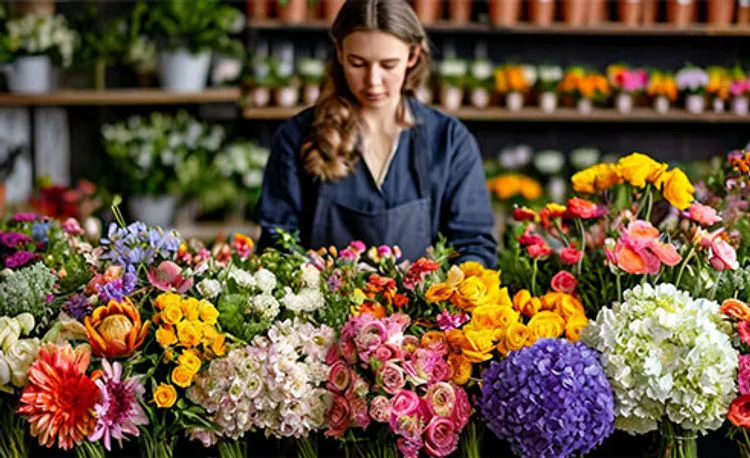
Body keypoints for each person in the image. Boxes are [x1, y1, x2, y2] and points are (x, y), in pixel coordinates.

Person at [256, 0, 497, 267]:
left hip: (421, 308)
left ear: (413, 56)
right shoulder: (297, 136)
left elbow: (474, 245)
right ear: (339, 52)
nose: (373, 80)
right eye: (357, 63)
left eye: (388, 65)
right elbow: (277, 244)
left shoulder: (450, 141)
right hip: (323, 307)